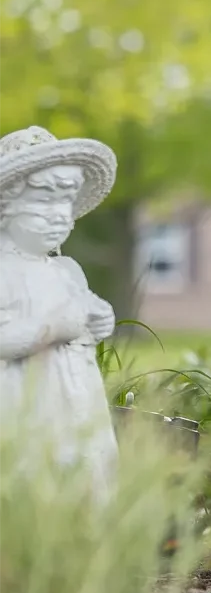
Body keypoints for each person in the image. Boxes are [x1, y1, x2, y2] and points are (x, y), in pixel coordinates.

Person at [0, 125, 120, 479]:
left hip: (78, 400)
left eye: (66, 202)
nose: (59, 215)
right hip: (24, 402)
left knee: (87, 471)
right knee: (36, 476)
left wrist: (99, 318)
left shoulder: (67, 270)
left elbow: (85, 312)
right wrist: (53, 327)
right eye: (43, 201)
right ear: (5, 207)